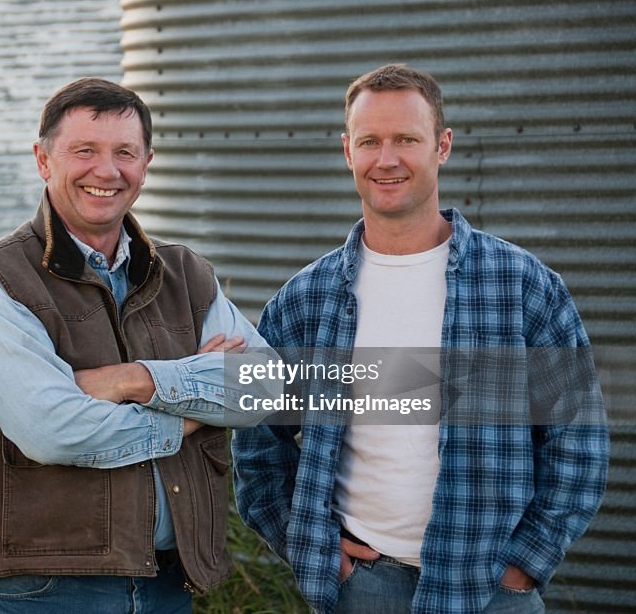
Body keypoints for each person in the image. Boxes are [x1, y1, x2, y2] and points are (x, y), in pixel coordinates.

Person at [232, 64, 609, 613]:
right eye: (370, 142)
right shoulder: (304, 301)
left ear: (443, 146)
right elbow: (257, 443)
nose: (387, 159)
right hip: (360, 589)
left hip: (491, 593)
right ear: (348, 151)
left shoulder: (523, 286)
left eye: (406, 139)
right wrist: (310, 548)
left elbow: (581, 441)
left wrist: (524, 564)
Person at [0, 77, 274, 613]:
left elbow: (267, 388)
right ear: (43, 160)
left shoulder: (185, 274)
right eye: (84, 151)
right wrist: (196, 413)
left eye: (125, 153)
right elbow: (52, 431)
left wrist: (134, 380)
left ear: (147, 163)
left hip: (167, 584)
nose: (107, 171)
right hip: (43, 591)